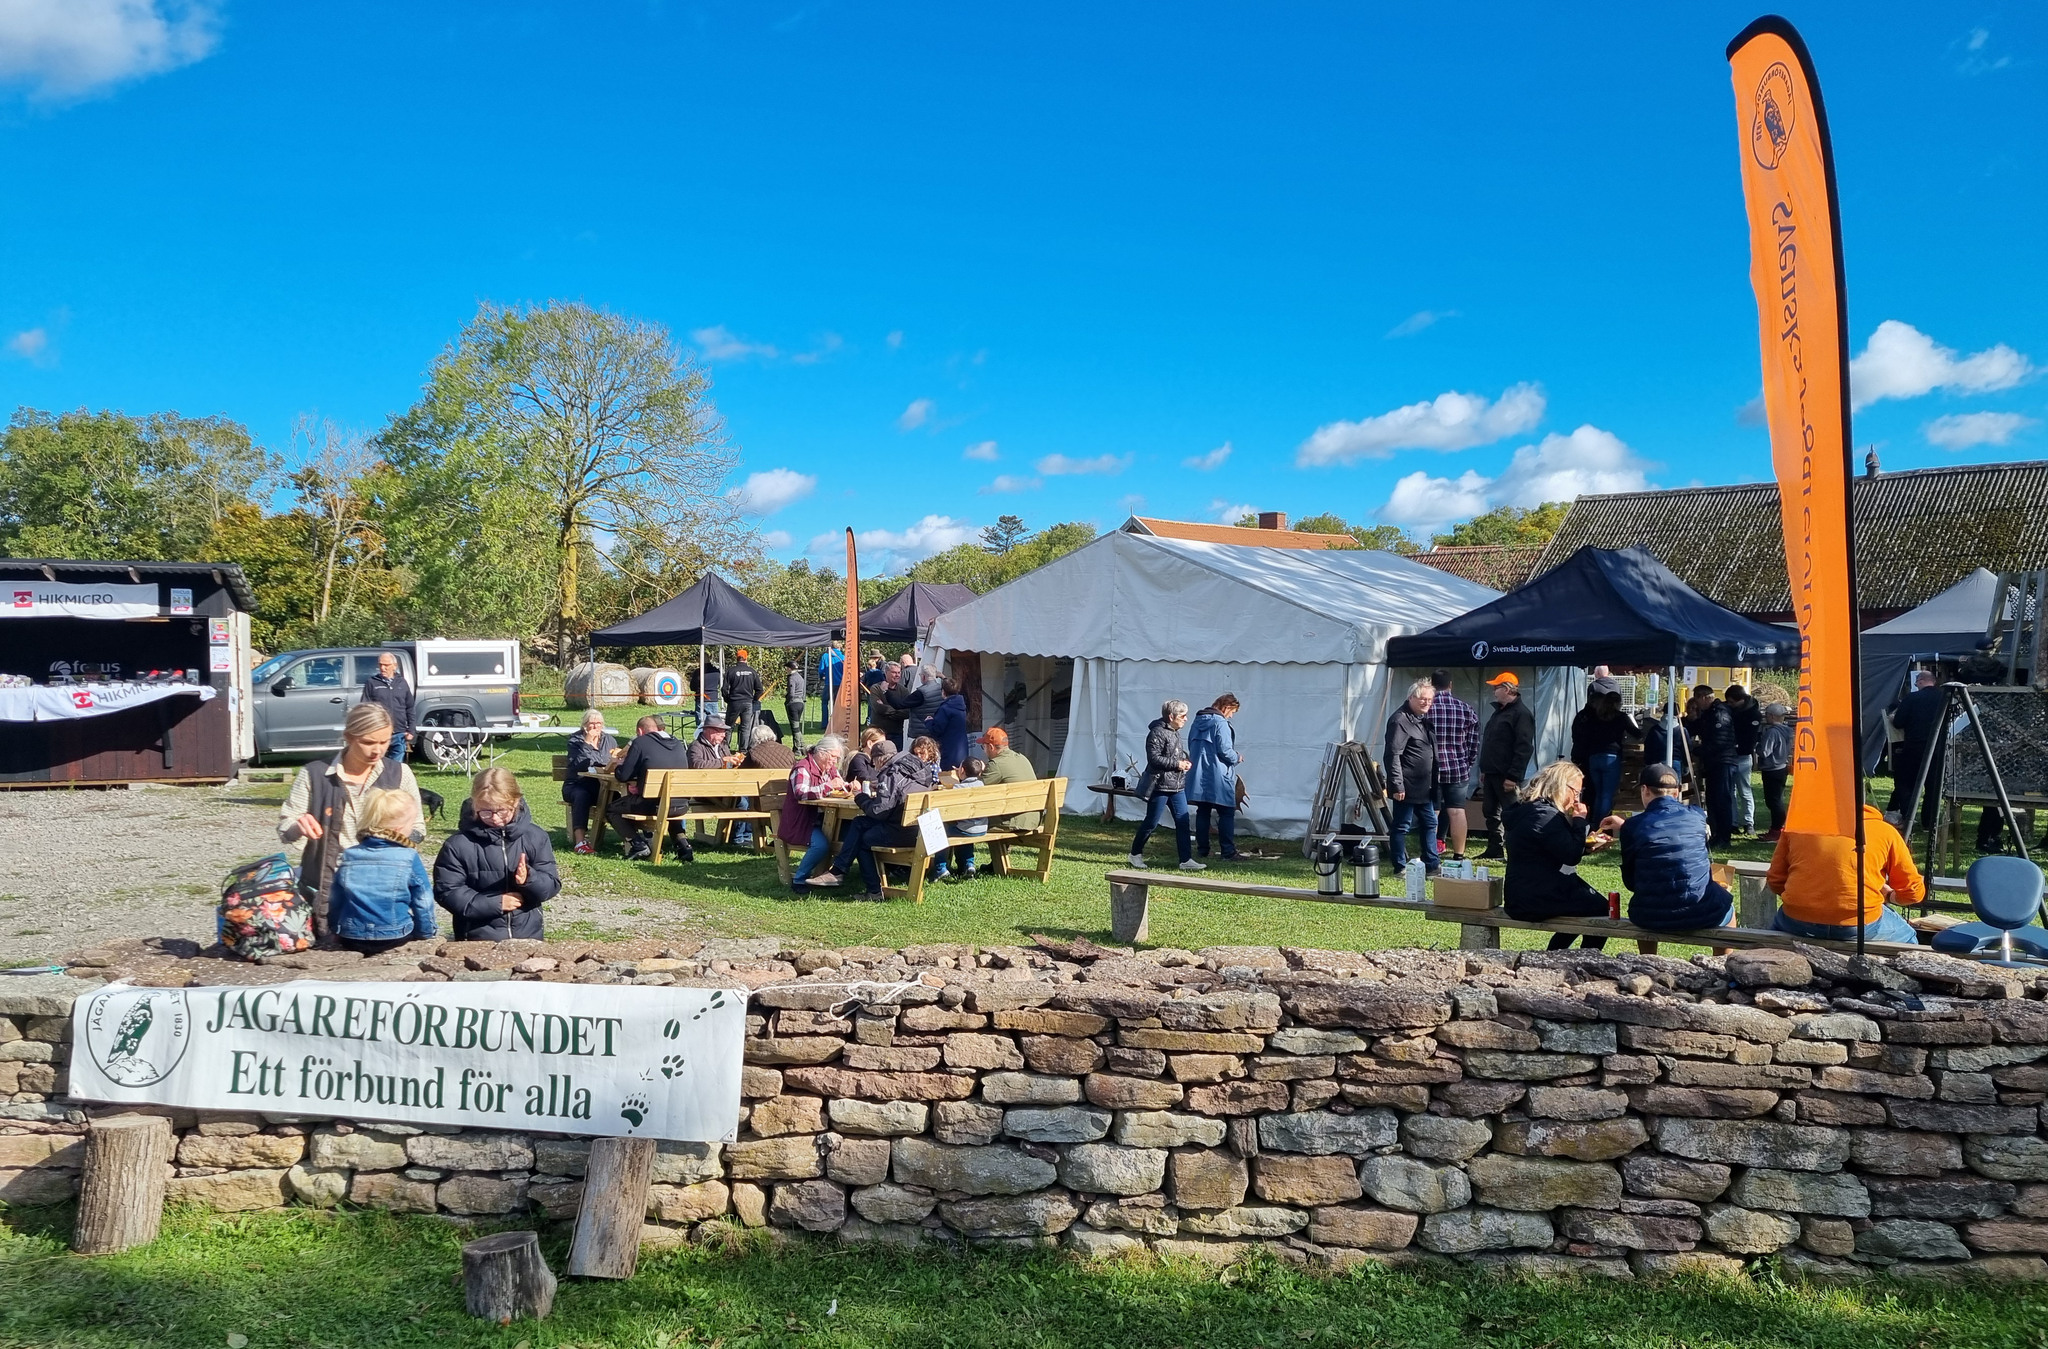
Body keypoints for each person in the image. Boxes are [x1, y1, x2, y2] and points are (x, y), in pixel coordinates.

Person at [278, 703, 424, 938]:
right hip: (326, 885)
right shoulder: (314, 774)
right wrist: (299, 826)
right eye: (368, 742)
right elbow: (285, 827)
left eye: (384, 742)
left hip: (382, 889)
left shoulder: (399, 774)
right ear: (348, 737)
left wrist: (394, 841)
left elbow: (418, 828)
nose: (377, 750)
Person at [1766, 802, 1925, 944]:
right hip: (1859, 922)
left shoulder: (1797, 826)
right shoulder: (1885, 831)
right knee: (1908, 936)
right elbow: (1913, 892)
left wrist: (1808, 899)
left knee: (1771, 937)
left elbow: (1775, 880)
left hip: (1797, 920)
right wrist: (1890, 895)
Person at [434, 767, 561, 941]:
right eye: (485, 811)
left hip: (527, 936)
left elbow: (551, 884)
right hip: (476, 937)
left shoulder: (536, 837)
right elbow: (447, 891)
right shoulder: (457, 845)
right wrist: (495, 904)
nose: (494, 818)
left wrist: (529, 879)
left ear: (515, 803)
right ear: (474, 805)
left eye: (501, 810)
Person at [809, 735, 942, 899]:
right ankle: (838, 871)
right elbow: (900, 792)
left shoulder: (891, 773)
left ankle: (871, 889)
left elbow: (879, 812)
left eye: (874, 762)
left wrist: (860, 797)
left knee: (863, 839)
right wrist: (880, 789)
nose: (875, 767)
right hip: (920, 829)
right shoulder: (919, 767)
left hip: (901, 832)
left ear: (880, 760)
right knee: (859, 823)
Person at [1501, 760, 1611, 951]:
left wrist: (1585, 846)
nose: (1577, 799)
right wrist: (1579, 821)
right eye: (1576, 792)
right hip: (1537, 896)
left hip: (1520, 892)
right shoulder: (1545, 816)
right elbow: (1570, 856)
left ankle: (1556, 953)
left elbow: (1551, 848)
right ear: (1561, 787)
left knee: (1587, 906)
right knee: (1601, 908)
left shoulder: (1527, 810)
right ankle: (1584, 957)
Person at [1610, 763, 1732, 932]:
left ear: (1645, 790)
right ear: (1677, 792)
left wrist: (1626, 827)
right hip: (1702, 910)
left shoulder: (1632, 827)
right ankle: (1723, 959)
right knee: (1728, 909)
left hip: (1650, 916)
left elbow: (1631, 882)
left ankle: (1647, 957)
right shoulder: (1697, 816)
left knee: (1644, 905)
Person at [326, 790, 437, 955]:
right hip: (394, 934)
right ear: (400, 829)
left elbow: (336, 899)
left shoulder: (350, 855)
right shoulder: (408, 857)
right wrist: (426, 933)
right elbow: (423, 900)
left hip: (351, 936)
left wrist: (336, 928)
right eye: (411, 825)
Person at [608, 714, 695, 861]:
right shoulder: (678, 743)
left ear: (640, 732)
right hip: (681, 804)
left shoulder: (641, 742)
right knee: (667, 804)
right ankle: (683, 846)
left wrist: (617, 765)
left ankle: (638, 844)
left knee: (611, 809)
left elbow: (623, 776)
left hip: (652, 804)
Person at [1129, 699, 1201, 871]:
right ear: (1171, 716)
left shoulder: (1175, 732)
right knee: (1151, 823)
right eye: (1183, 716)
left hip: (1177, 787)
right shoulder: (1156, 732)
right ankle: (1135, 854)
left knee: (1183, 822)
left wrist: (1184, 761)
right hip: (1160, 786)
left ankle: (1186, 860)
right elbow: (1154, 759)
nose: (1186, 718)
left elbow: (1172, 755)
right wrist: (1178, 764)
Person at [1383, 679, 1440, 877]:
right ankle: (1400, 866)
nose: (1426, 703)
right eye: (1422, 699)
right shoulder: (1400, 720)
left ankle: (1432, 864)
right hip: (1406, 786)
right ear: (1410, 697)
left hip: (1425, 787)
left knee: (1430, 824)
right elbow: (1393, 754)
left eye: (1430, 700)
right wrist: (1397, 785)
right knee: (1401, 826)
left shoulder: (1422, 720)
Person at [1475, 673, 1534, 861]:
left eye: (1496, 688)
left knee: (1512, 814)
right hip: (1492, 773)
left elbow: (1524, 747)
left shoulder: (1522, 714)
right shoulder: (1499, 712)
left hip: (1507, 775)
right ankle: (1495, 849)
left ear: (1507, 689)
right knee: (1490, 812)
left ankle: (1516, 851)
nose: (1494, 692)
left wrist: (1514, 776)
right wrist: (1485, 769)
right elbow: (1492, 743)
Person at [779, 733, 846, 893]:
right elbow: (801, 793)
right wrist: (829, 786)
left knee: (847, 835)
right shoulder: (803, 768)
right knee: (821, 845)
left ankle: (832, 874)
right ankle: (799, 879)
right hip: (799, 822)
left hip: (818, 819)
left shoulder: (829, 769)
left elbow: (839, 784)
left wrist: (849, 786)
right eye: (833, 757)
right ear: (822, 753)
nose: (835, 761)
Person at [1427, 671, 1480, 860]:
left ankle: (1431, 852)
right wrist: (1467, 764)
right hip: (1458, 769)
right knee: (1457, 811)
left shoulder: (1426, 708)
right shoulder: (1466, 709)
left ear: (1431, 686)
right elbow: (1474, 744)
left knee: (1432, 811)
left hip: (1431, 769)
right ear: (1450, 685)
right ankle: (1458, 854)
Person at [1888, 670, 1947, 835]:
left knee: (1908, 784)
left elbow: (1899, 722)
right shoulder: (1945, 698)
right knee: (1932, 787)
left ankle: (1909, 818)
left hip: (1914, 747)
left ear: (1921, 681)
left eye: (1916, 682)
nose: (1915, 685)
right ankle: (1929, 823)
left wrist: (1893, 718)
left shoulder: (1912, 698)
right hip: (1937, 748)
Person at [1185, 694, 1242, 862]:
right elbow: (1225, 750)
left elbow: (1190, 744)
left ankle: (1203, 850)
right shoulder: (1221, 723)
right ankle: (1228, 852)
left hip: (1199, 774)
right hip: (1218, 774)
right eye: (1232, 712)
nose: (1231, 716)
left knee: (1203, 811)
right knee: (1226, 812)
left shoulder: (1196, 722)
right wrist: (1237, 757)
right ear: (1227, 707)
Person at [1685, 685, 1741, 847]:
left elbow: (1720, 741)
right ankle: (1716, 834)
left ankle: (1724, 837)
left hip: (1723, 761)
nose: (1697, 704)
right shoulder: (1709, 714)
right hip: (1714, 762)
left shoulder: (1719, 713)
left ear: (1703, 697)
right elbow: (1698, 727)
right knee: (1713, 799)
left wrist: (1698, 750)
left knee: (1722, 799)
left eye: (1697, 700)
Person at [1569, 681, 1630, 822]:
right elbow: (1637, 733)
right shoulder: (1619, 717)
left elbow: (1578, 736)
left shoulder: (1589, 717)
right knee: (1606, 795)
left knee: (1597, 794)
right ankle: (1600, 826)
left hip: (1592, 758)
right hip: (1610, 758)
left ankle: (1592, 822)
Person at [562, 709, 619, 854]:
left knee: (619, 798)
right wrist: (587, 743)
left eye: (598, 723)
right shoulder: (575, 741)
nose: (595, 727)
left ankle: (632, 839)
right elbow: (579, 765)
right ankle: (580, 842)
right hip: (577, 784)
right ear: (584, 725)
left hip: (601, 785)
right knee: (582, 796)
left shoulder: (609, 740)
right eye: (592, 724)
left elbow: (612, 760)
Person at [976, 727, 1042, 833]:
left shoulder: (996, 765)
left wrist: (965, 777)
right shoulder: (1022, 758)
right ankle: (1002, 850)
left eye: (983, 747)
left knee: (970, 822)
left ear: (991, 747)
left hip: (1014, 821)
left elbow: (976, 790)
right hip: (1033, 818)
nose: (984, 751)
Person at [933, 756, 988, 881]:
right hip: (982, 828)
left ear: (962, 770)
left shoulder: (957, 789)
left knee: (941, 832)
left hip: (965, 829)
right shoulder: (983, 785)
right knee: (965, 830)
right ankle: (968, 864)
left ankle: (940, 868)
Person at [357, 651, 416, 762]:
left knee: (395, 767)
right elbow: (365, 708)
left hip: (399, 733)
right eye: (380, 665)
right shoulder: (372, 683)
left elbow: (410, 707)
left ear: (394, 666)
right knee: (378, 765)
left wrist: (411, 730)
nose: (383, 668)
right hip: (379, 732)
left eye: (386, 665)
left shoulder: (402, 683)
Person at [1725, 684, 1764, 835]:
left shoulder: (1753, 714)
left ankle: (1749, 822)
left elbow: (1750, 738)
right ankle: (1733, 821)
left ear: (1740, 700)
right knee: (1731, 791)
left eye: (1732, 702)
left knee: (1745, 790)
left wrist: (1738, 746)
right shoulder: (1733, 711)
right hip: (1732, 754)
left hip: (1743, 755)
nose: (1730, 705)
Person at [1756, 704, 1793, 841]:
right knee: (1777, 799)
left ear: (1771, 716)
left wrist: (1757, 745)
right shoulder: (1787, 731)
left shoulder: (1772, 732)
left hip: (1771, 768)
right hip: (1782, 767)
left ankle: (1776, 830)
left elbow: (1765, 751)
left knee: (1773, 801)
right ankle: (1778, 828)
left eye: (1767, 715)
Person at [887, 662, 945, 742]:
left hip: (922, 731)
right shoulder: (941, 688)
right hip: (936, 729)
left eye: (920, 675)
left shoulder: (921, 693)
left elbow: (899, 704)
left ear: (924, 677)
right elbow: (952, 685)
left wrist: (886, 691)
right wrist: (943, 677)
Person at [722, 649, 763, 745]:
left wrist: (728, 699)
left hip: (734, 702)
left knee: (728, 726)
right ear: (746, 658)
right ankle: (743, 750)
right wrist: (754, 699)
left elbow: (724, 689)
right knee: (745, 727)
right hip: (748, 703)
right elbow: (760, 689)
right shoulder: (752, 672)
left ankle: (725, 747)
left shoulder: (731, 671)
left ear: (736, 658)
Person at [928, 677, 971, 769]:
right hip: (961, 748)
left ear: (943, 691)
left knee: (947, 776)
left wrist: (928, 722)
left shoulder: (945, 709)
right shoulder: (961, 705)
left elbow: (936, 730)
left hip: (948, 748)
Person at [784, 663, 808, 750]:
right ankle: (801, 745)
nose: (786, 670)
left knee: (795, 728)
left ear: (790, 669)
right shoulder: (800, 677)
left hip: (793, 704)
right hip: (800, 702)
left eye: (787, 668)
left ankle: (798, 747)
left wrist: (787, 700)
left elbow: (791, 693)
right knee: (797, 726)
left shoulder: (792, 678)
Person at [818, 640, 845, 713]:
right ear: (840, 647)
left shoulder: (825, 656)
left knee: (824, 701)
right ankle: (836, 721)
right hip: (839, 683)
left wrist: (822, 677)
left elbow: (821, 670)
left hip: (829, 682)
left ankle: (825, 723)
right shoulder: (843, 657)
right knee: (837, 703)